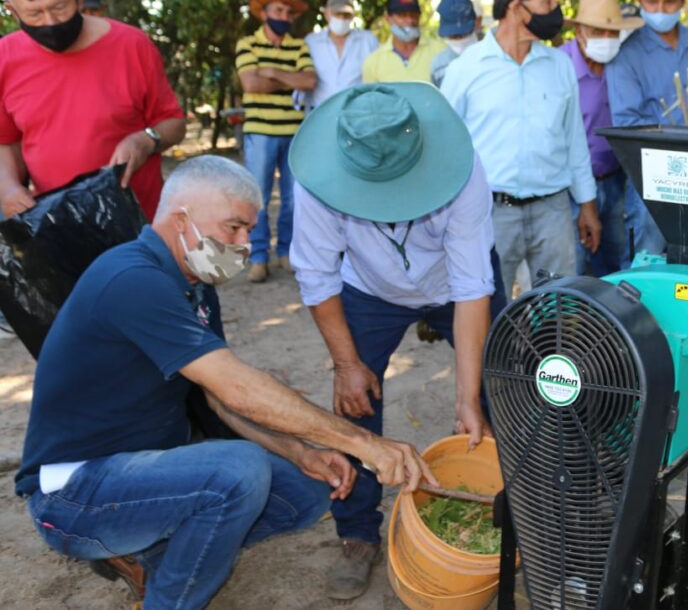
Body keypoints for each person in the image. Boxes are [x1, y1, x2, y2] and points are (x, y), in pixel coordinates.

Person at [15, 155, 434, 608]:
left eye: (248, 231)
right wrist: (365, 443)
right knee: (238, 472)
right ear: (181, 219)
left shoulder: (192, 282)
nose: (243, 243)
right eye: (233, 228)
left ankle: (150, 554)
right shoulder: (133, 279)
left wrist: (301, 452)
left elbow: (218, 398)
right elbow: (238, 388)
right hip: (72, 496)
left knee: (308, 484)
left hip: (140, 469)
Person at [289, 82, 506, 599]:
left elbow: (473, 288)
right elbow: (317, 277)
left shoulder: (465, 170)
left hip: (454, 285)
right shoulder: (318, 182)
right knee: (353, 405)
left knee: (502, 387)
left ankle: (513, 512)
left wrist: (466, 397)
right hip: (368, 289)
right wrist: (346, 364)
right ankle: (357, 533)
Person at [441, 0, 601, 296]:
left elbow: (574, 141)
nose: (556, 9)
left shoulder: (559, 66)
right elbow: (445, 146)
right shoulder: (466, 70)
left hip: (553, 212)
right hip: (487, 213)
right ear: (516, 6)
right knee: (484, 309)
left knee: (557, 310)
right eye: (548, 0)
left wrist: (587, 205)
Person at [0, 0, 186, 221]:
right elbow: (6, 141)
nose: (50, 22)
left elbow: (174, 124)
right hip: (56, 223)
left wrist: (145, 140)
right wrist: (7, 187)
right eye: (34, 13)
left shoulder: (132, 46)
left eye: (59, 8)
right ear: (12, 11)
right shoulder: (5, 57)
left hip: (137, 222)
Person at [607, 0, 688, 258]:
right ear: (640, 0)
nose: (661, 11)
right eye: (652, 3)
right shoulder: (626, 55)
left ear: (683, 0)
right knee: (648, 265)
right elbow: (627, 123)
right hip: (652, 181)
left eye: (669, 2)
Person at [235, 0, 317, 283]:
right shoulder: (247, 44)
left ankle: (286, 251)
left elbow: (308, 80)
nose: (284, 16)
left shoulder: (298, 46)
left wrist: (270, 71)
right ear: (264, 13)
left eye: (288, 11)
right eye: (278, 10)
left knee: (293, 198)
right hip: (260, 131)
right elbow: (251, 85)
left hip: (294, 132)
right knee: (257, 195)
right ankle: (258, 256)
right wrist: (288, 79)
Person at [560, 0, 642, 275]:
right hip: (570, 187)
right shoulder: (560, 68)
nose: (606, 38)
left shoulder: (623, 65)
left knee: (617, 260)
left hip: (616, 180)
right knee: (573, 266)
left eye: (612, 32)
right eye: (597, 31)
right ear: (578, 30)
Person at [301, 0, 378, 112]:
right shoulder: (311, 42)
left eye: (346, 15)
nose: (342, 18)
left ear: (353, 15)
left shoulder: (368, 41)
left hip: (358, 114)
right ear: (327, 13)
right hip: (320, 114)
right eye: (337, 14)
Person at [361, 0, 444, 83]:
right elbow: (372, 96)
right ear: (388, 19)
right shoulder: (373, 61)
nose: (409, 20)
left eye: (414, 15)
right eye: (402, 15)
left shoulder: (441, 51)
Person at [431, 0, 482, 86]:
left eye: (463, 34)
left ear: (476, 23)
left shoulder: (492, 54)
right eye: (453, 36)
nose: (459, 40)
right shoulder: (439, 64)